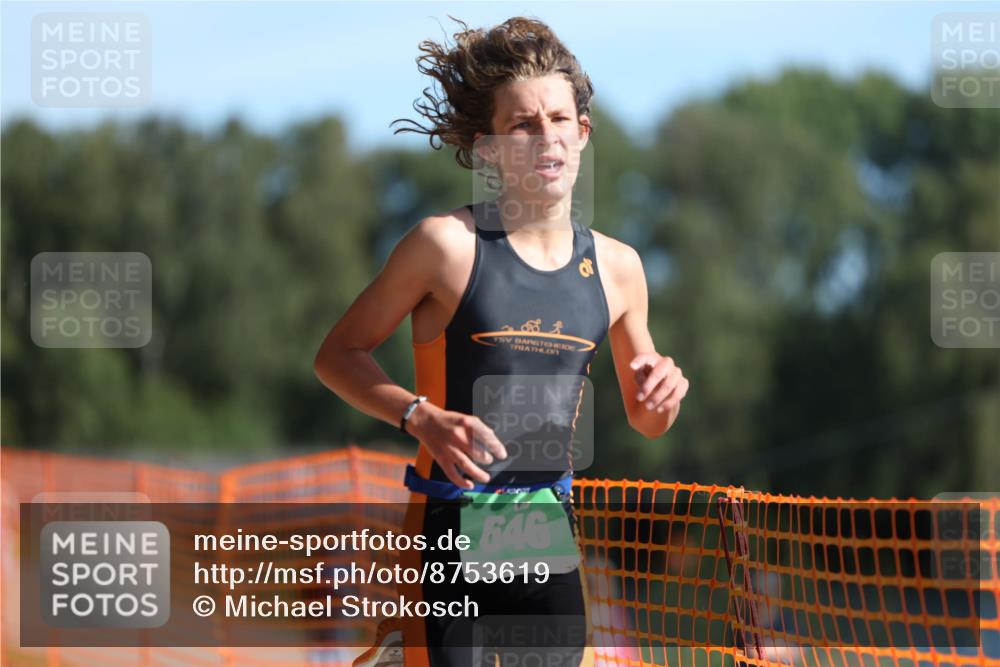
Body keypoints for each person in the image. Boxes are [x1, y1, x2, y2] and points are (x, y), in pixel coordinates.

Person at [313, 16, 689, 667]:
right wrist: (418, 415)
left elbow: (647, 418)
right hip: (447, 529)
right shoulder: (444, 247)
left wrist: (665, 392)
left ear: (583, 133)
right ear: (488, 148)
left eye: (559, 120)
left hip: (542, 534)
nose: (547, 137)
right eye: (523, 124)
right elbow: (337, 354)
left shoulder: (619, 267)